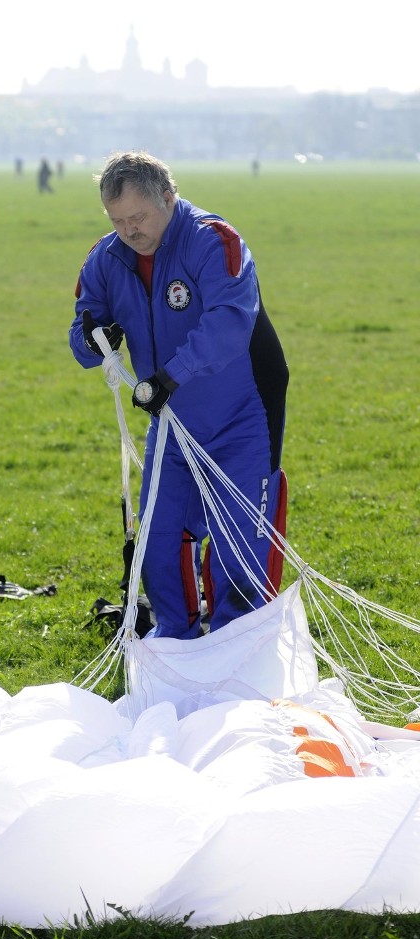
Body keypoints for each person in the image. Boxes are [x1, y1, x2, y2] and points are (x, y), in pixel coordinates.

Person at [69, 151, 289, 638]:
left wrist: (170, 375)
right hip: (171, 425)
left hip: (242, 415)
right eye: (118, 220)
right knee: (159, 542)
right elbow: (82, 330)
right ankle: (177, 645)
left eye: (139, 217)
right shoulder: (106, 258)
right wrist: (91, 339)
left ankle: (238, 648)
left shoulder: (214, 241)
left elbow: (230, 320)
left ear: (168, 197)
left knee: (239, 548)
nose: (130, 230)